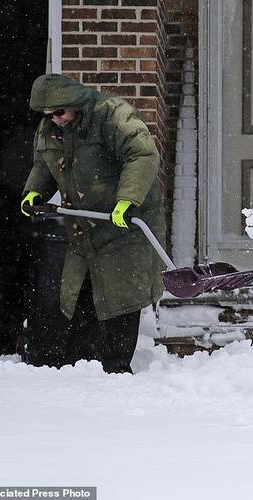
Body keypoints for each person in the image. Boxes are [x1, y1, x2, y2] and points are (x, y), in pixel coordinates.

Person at [19, 73, 165, 374]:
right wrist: (33, 193)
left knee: (121, 294)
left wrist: (127, 200)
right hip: (85, 225)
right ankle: (85, 365)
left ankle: (116, 367)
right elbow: (43, 165)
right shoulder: (50, 129)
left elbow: (142, 155)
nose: (55, 119)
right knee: (80, 291)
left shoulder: (112, 114)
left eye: (59, 111)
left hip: (125, 222)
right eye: (48, 114)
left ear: (74, 103)